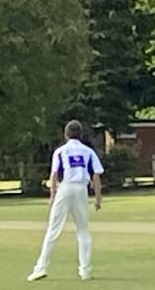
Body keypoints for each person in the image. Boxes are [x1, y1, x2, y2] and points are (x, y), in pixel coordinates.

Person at [28, 120, 104, 282]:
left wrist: (52, 196)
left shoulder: (61, 151)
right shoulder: (88, 152)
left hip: (66, 187)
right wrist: (97, 198)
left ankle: (41, 267)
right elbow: (96, 176)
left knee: (53, 230)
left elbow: (54, 175)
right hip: (81, 189)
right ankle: (85, 271)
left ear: (65, 134)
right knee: (83, 230)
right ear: (81, 134)